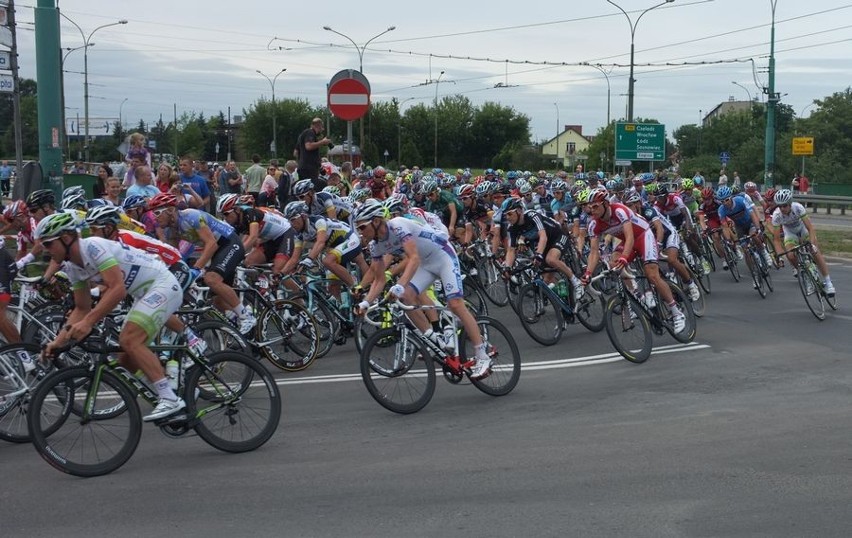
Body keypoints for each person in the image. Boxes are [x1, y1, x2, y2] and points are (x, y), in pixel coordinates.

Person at [37, 212, 186, 421]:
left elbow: (117, 290)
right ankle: (177, 391)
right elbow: (81, 308)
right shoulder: (72, 267)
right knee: (125, 358)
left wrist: (88, 323)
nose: (45, 249)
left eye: (49, 243)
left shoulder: (93, 247)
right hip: (143, 293)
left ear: (67, 237)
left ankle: (169, 398)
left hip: (161, 284)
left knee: (129, 339)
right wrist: (57, 342)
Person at [351, 199, 493, 379]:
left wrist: (398, 286)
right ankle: (436, 340)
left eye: (362, 227)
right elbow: (379, 280)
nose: (359, 232)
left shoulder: (398, 226)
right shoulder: (375, 245)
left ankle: (482, 355)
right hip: (427, 264)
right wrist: (365, 302)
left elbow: (414, 258)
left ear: (376, 221)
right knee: (406, 297)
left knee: (455, 304)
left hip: (442, 256)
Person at [579, 189, 687, 334]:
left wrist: (625, 257)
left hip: (643, 236)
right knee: (613, 265)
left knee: (652, 275)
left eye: (595, 206)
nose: (592, 210)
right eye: (590, 207)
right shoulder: (593, 224)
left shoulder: (619, 211)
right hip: (628, 242)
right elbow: (593, 252)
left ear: (605, 204)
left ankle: (676, 313)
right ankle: (637, 295)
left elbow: (630, 236)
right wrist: (588, 273)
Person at [148, 192, 256, 333]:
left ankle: (246, 316)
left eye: (157, 213)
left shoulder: (190, 216)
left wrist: (197, 268)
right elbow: (175, 256)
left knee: (211, 279)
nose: (154, 218)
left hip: (229, 243)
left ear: (170, 210)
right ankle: (237, 322)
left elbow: (211, 244)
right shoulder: (171, 230)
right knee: (217, 301)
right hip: (218, 250)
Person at [769, 189, 834, 296]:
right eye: (779, 206)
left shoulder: (798, 207)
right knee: (790, 255)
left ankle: (828, 283)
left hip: (802, 229)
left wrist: (812, 244)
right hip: (790, 232)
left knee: (815, 252)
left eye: (784, 205)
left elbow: (810, 228)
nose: (782, 208)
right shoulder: (776, 215)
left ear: (790, 203)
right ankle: (805, 275)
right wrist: (779, 256)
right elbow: (776, 239)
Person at [296, 118, 332, 187]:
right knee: (313, 188)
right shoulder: (310, 132)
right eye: (322, 127)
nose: (322, 130)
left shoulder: (304, 134)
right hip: (308, 168)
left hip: (306, 167)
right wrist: (322, 142)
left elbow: (296, 152)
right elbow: (308, 146)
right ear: (318, 126)